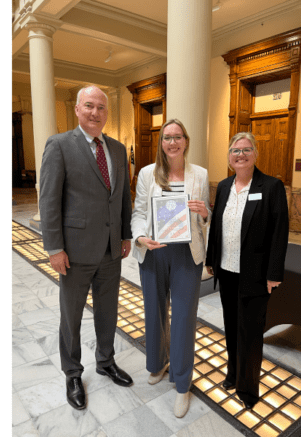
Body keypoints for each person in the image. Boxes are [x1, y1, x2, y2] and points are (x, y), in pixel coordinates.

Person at [38, 85, 134, 411]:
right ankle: (73, 373)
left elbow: (122, 197)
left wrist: (125, 236)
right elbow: (49, 200)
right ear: (78, 109)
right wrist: (54, 247)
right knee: (72, 316)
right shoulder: (61, 145)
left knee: (108, 312)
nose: (95, 113)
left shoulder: (118, 150)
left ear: (107, 113)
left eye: (101, 108)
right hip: (75, 251)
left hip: (110, 251)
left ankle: (106, 361)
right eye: (89, 106)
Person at [130, 119, 211, 418]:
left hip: (187, 255)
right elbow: (139, 211)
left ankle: (182, 383)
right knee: (154, 310)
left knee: (184, 318)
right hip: (154, 251)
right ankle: (158, 363)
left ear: (186, 141)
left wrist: (205, 212)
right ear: (161, 142)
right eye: (167, 137)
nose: (172, 142)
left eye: (177, 137)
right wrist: (139, 237)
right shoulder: (147, 173)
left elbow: (205, 215)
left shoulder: (199, 174)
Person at [205, 132, 289, 409]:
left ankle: (249, 389)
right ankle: (232, 374)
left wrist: (274, 273)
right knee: (231, 327)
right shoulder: (225, 186)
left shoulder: (271, 186)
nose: (240, 154)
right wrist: (211, 259)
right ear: (229, 157)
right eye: (234, 150)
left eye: (245, 149)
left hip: (254, 275)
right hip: (227, 272)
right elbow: (216, 225)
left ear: (255, 154)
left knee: (251, 333)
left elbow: (279, 232)